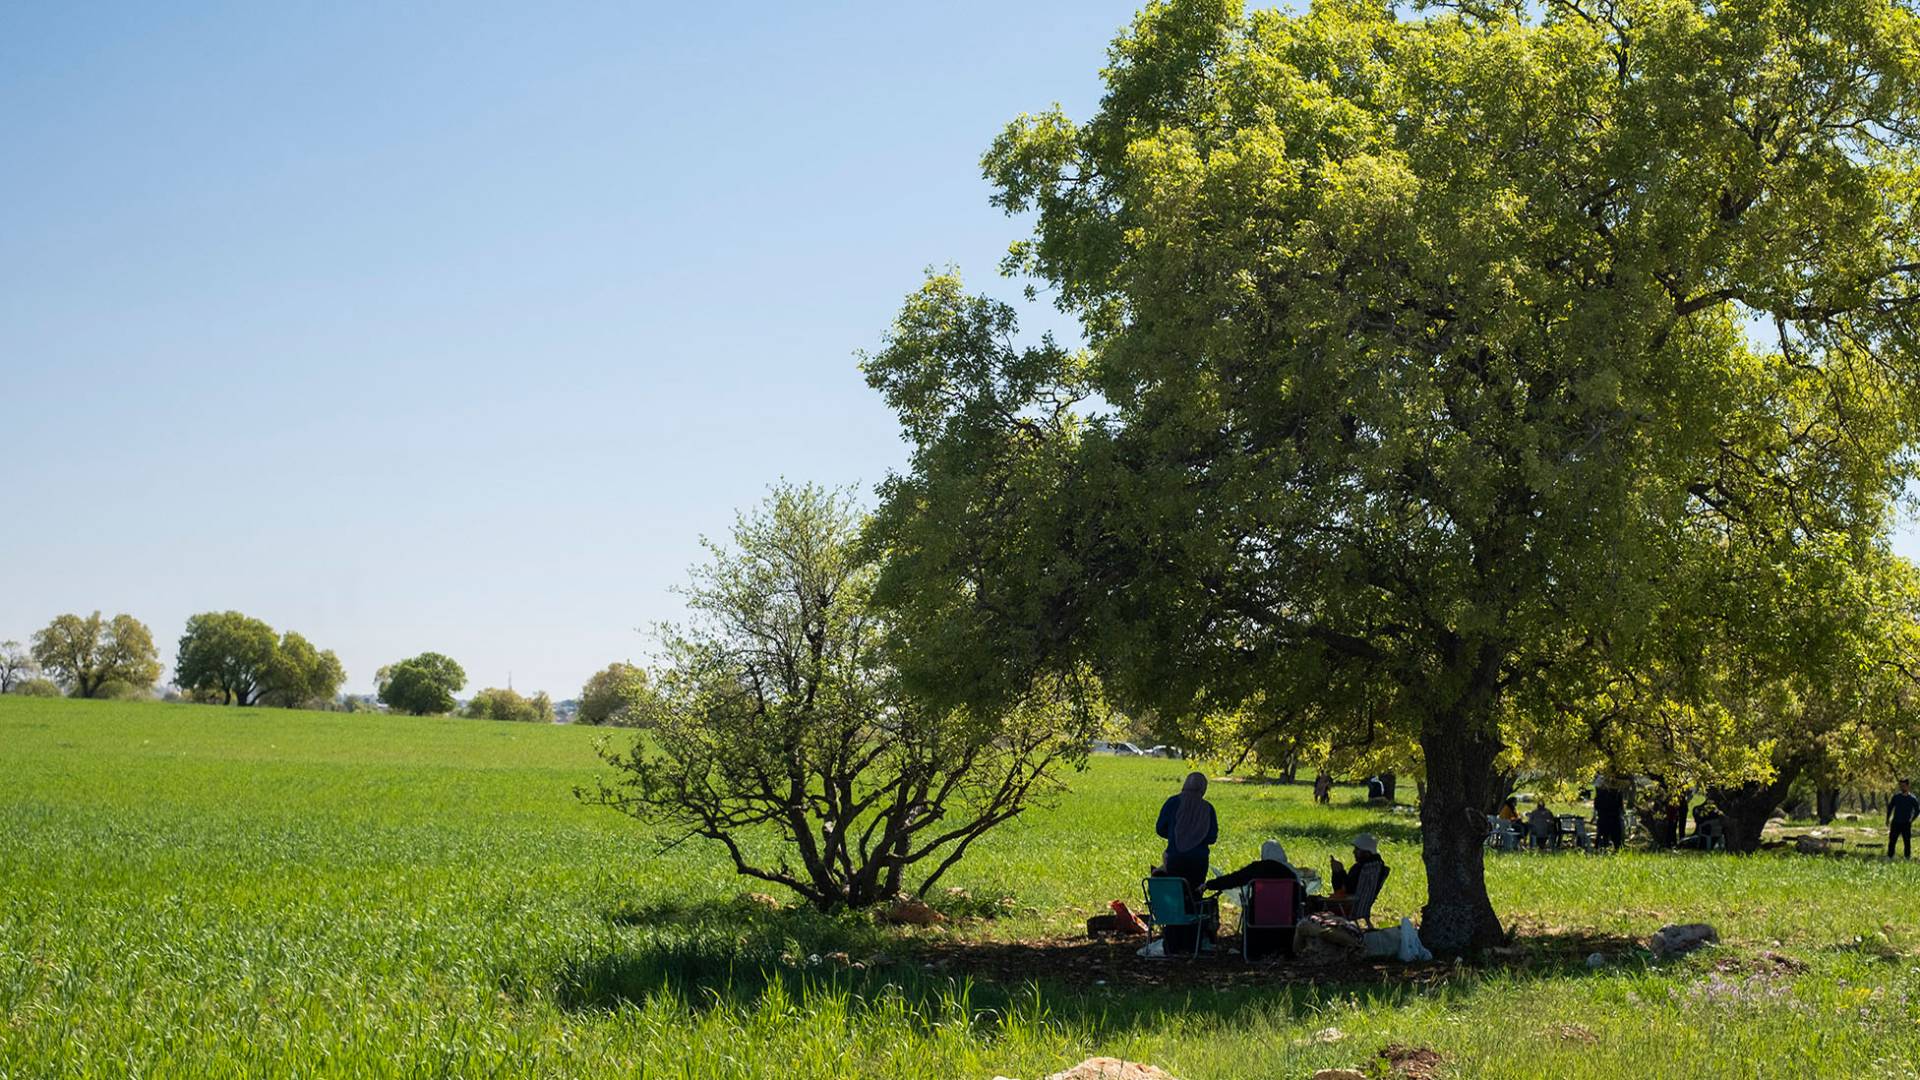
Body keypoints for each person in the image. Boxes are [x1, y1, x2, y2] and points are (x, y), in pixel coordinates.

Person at [1155, 771, 1218, 896]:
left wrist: (1175, 835)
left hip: (1174, 859)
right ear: (1203, 788)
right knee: (1194, 897)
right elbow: (1212, 837)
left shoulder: (1173, 802)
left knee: (1176, 895)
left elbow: (1160, 829)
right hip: (1199, 862)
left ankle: (1175, 915)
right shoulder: (1208, 808)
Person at [1888, 780, 1919, 859]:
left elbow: (1917, 810)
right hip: (1896, 822)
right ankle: (1890, 856)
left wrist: (1912, 819)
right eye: (1901, 786)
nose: (1902, 787)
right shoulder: (1896, 797)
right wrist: (1887, 818)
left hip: (1906, 823)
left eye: (1904, 786)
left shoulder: (1912, 798)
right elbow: (1890, 807)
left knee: (1907, 841)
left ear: (1908, 786)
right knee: (1892, 840)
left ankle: (1907, 856)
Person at [1593, 781, 1626, 852]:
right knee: (1616, 837)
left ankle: (1602, 848)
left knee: (1603, 835)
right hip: (1614, 818)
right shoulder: (1617, 793)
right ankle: (1615, 849)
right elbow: (1621, 808)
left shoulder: (1599, 795)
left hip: (1604, 819)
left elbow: (1596, 807)